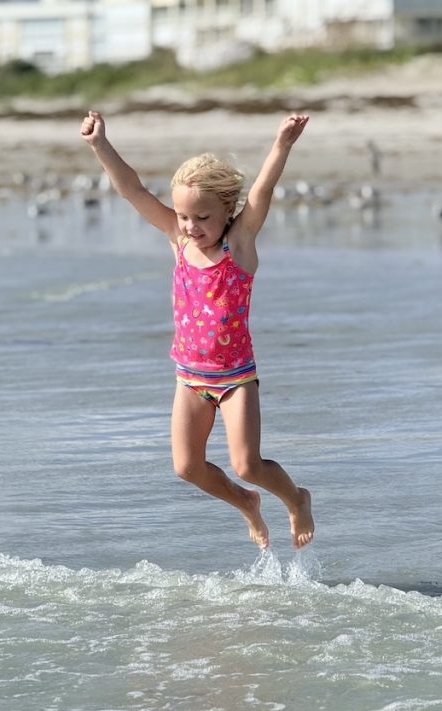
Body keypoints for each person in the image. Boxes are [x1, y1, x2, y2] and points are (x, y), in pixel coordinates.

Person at [80, 110, 315, 550]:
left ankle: (296, 498)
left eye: (201, 218)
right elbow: (132, 189)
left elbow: (262, 191)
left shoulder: (238, 244)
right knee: (187, 467)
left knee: (247, 463)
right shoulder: (178, 239)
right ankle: (246, 503)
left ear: (227, 210)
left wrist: (282, 143)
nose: (191, 226)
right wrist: (100, 145)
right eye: (185, 216)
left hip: (235, 378)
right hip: (189, 378)